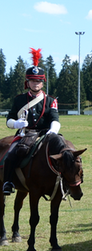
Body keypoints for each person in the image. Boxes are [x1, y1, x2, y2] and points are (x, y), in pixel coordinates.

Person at [3, 48, 60, 196]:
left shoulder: (51, 100)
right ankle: (8, 183)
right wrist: (16, 124)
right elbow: (9, 119)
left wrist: (53, 131)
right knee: (10, 155)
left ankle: (63, 184)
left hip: (45, 134)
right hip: (24, 134)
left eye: (39, 81)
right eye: (33, 80)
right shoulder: (19, 99)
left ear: (43, 82)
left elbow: (55, 118)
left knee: (65, 153)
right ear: (27, 82)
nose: (36, 83)